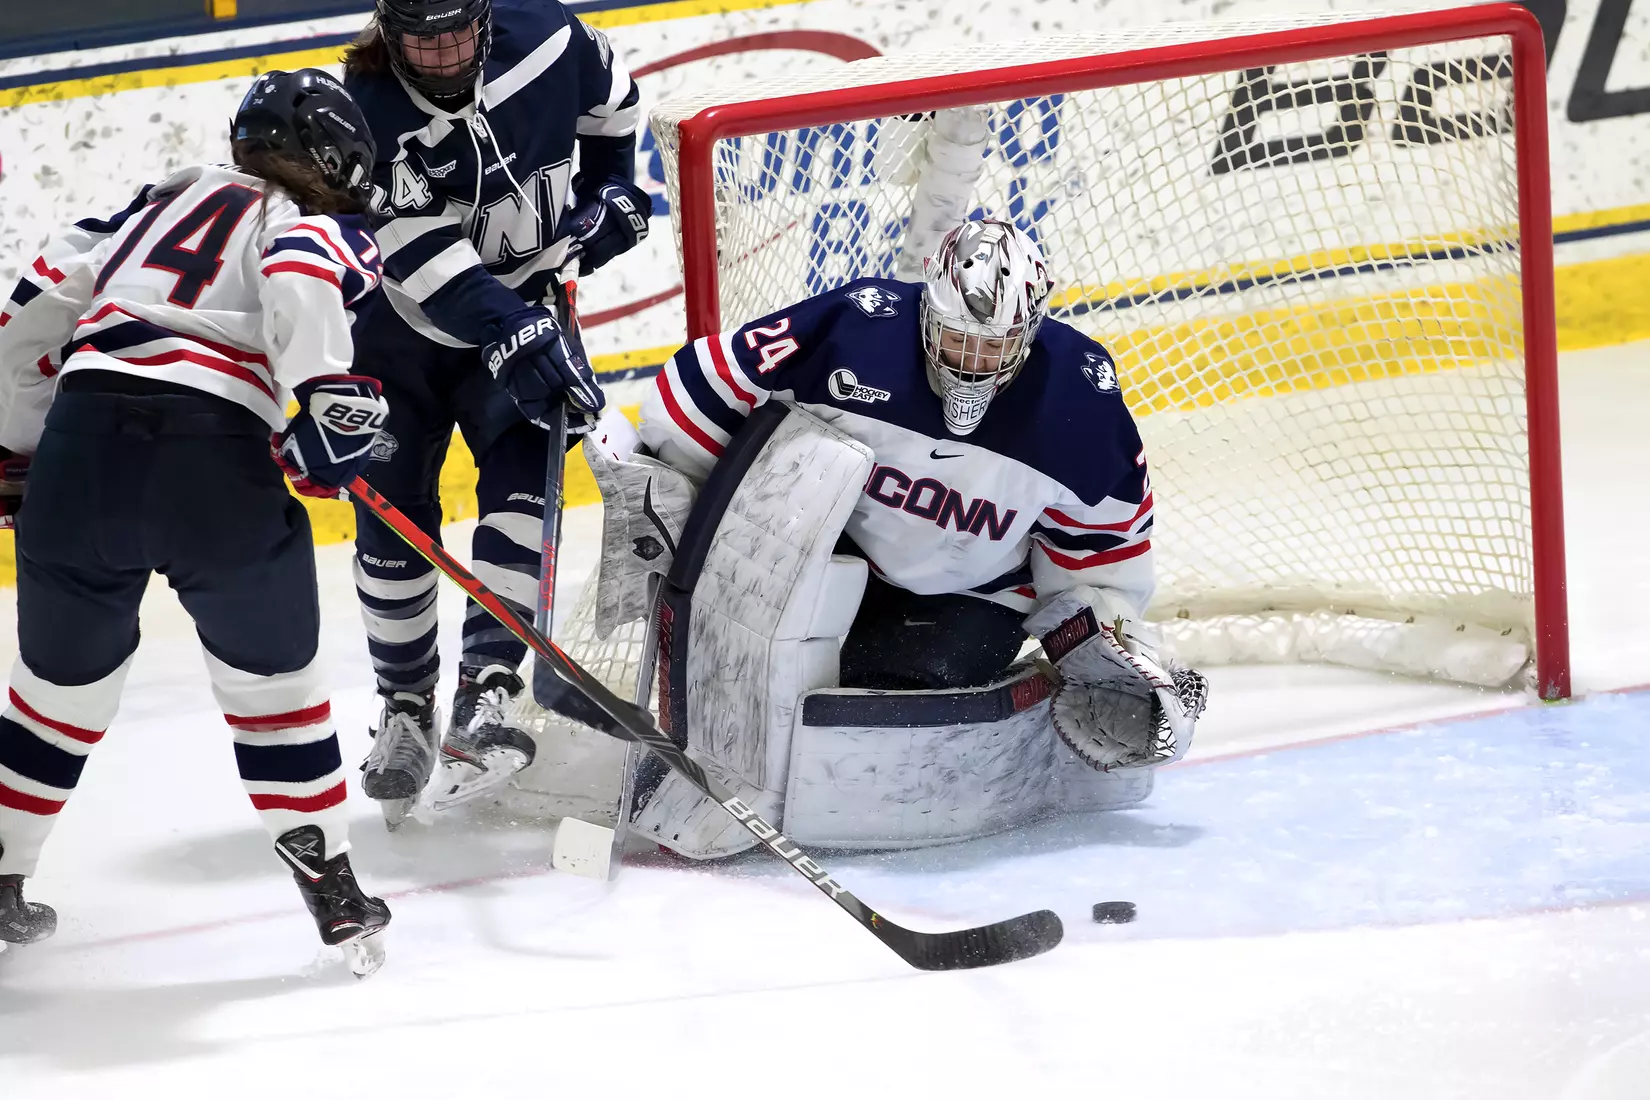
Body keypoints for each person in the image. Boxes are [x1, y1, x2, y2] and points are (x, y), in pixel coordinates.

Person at [587, 217, 1207, 857]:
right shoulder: (855, 331)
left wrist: (1101, 638)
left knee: (899, 679)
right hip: (836, 563)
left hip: (980, 595)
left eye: (996, 347)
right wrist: (683, 517)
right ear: (925, 312)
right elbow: (695, 395)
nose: (974, 362)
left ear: (1031, 332)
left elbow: (1100, 551)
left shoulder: (1079, 401)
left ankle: (804, 791)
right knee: (754, 667)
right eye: (959, 340)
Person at [0, 70, 394, 974]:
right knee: (274, 690)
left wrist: (18, 456)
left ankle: (1, 876)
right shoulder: (304, 222)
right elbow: (298, 278)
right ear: (332, 159)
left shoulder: (141, 209)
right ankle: (331, 888)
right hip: (210, 463)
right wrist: (323, 399)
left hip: (78, 453)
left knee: (54, 690)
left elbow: (23, 325)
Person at [340, 0, 652, 824]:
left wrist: (613, 192)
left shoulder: (550, 34)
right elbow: (410, 250)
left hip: (524, 310)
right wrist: (514, 327)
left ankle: (488, 693)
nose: (441, 56)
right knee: (394, 528)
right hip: (397, 335)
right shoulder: (364, 107)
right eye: (419, 40)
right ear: (388, 29)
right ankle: (406, 710)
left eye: (455, 34)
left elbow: (614, 103)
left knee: (522, 493)